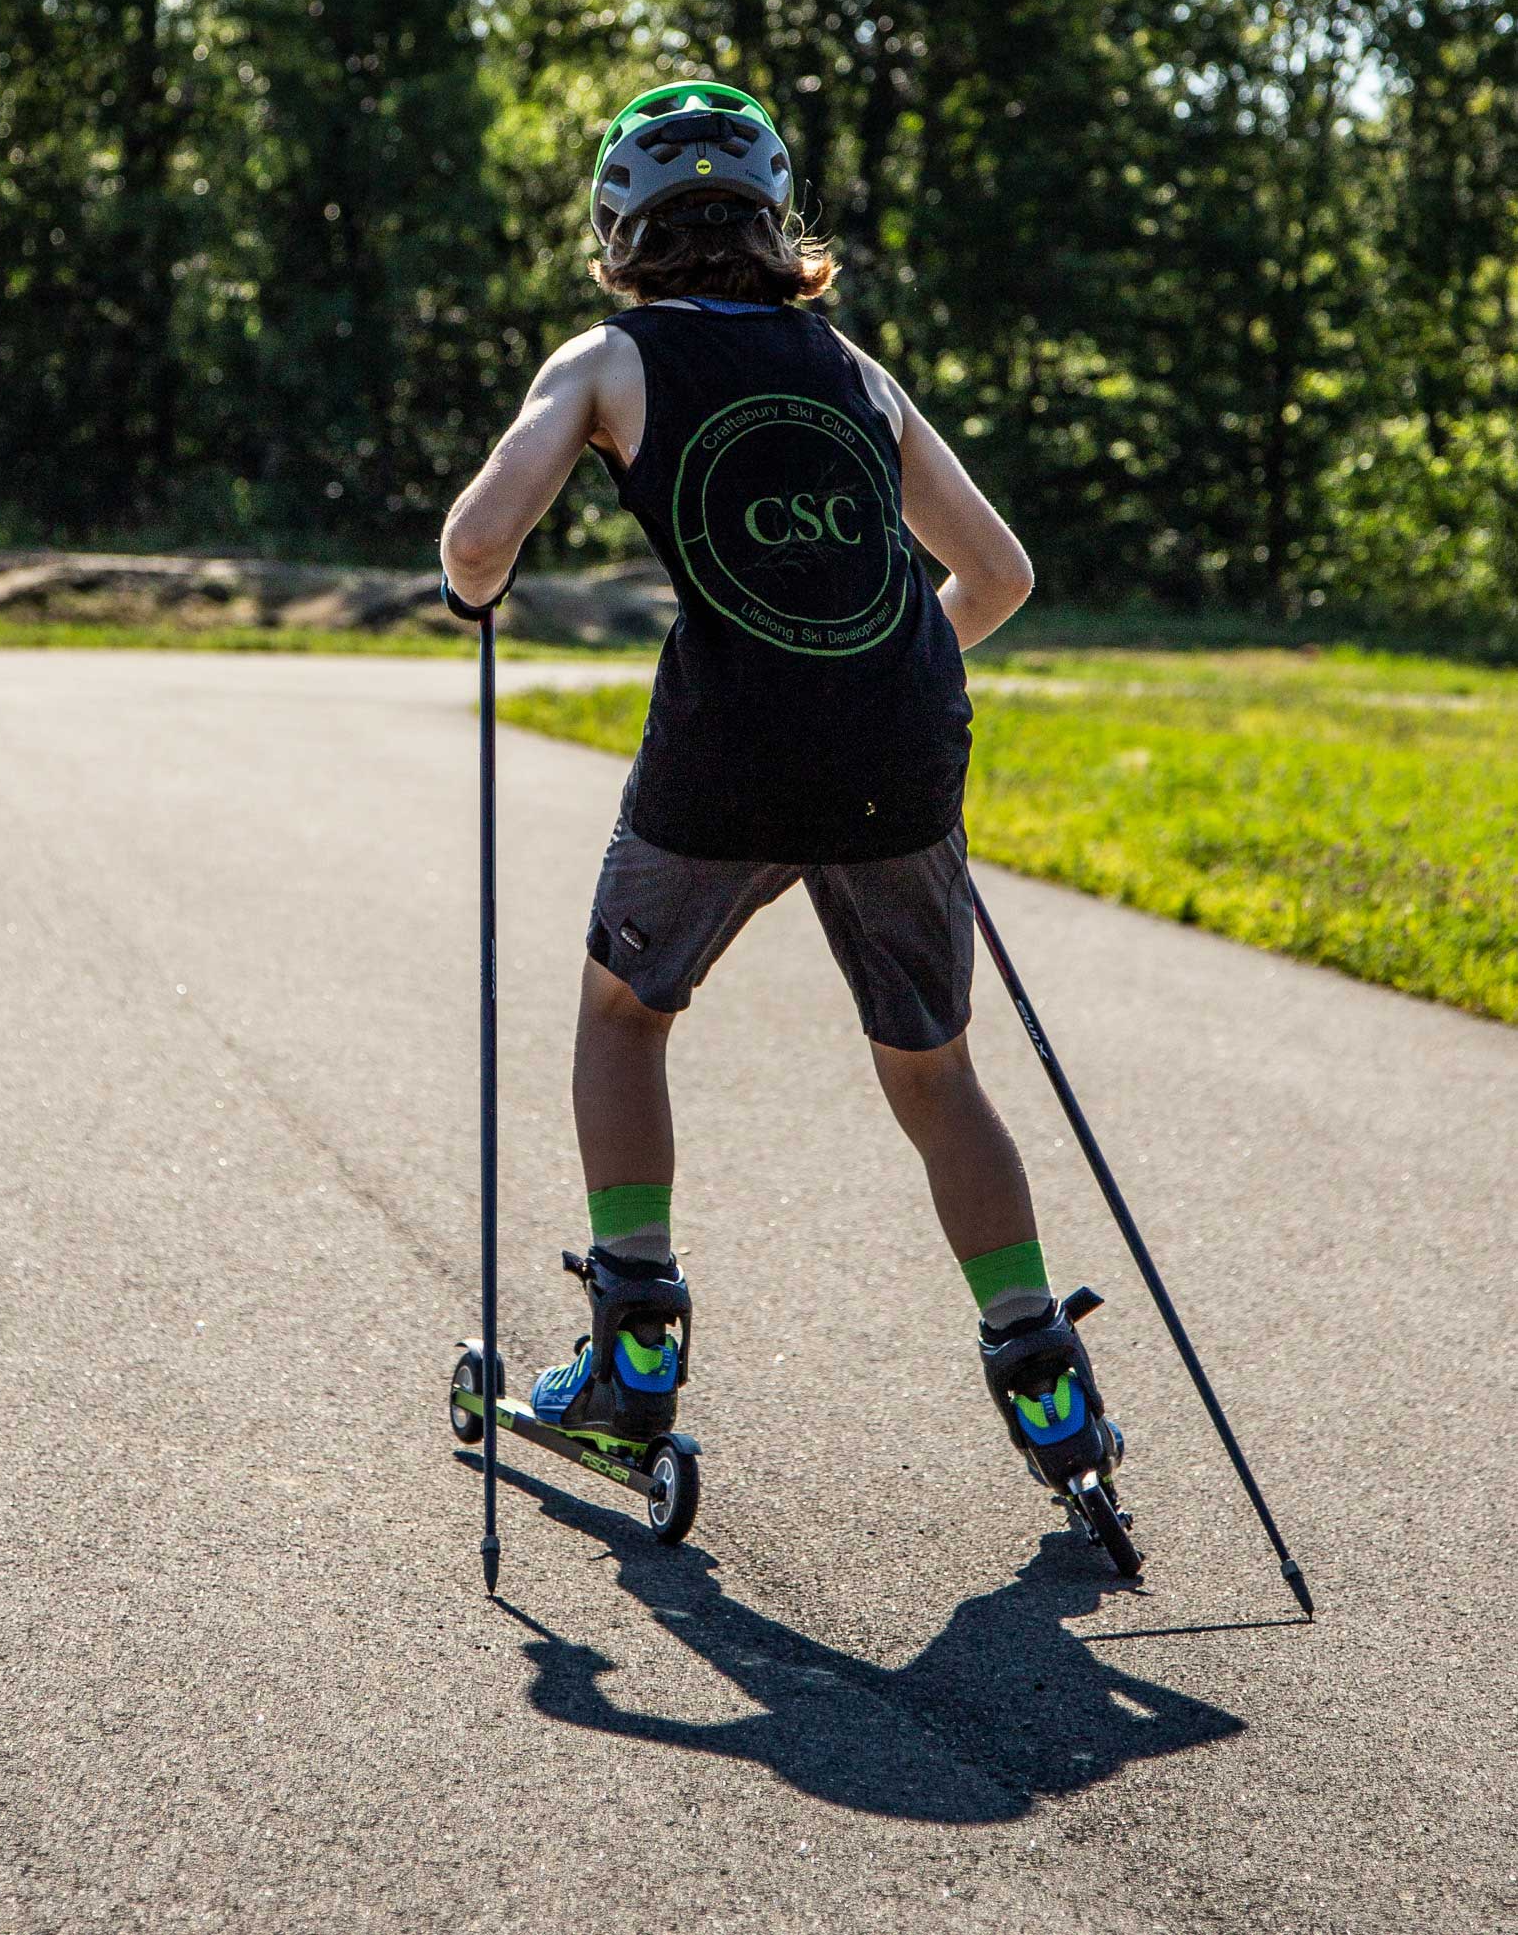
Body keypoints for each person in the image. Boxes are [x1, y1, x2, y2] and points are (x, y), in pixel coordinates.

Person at [439, 82, 1120, 1506]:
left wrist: (479, 585)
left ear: (617, 228)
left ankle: (629, 1361)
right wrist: (871, 662)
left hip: (726, 750)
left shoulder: (608, 359)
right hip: (899, 742)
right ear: (775, 222)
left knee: (624, 1019)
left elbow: (477, 544)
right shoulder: (852, 368)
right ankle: (1044, 1381)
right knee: (934, 1072)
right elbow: (996, 577)